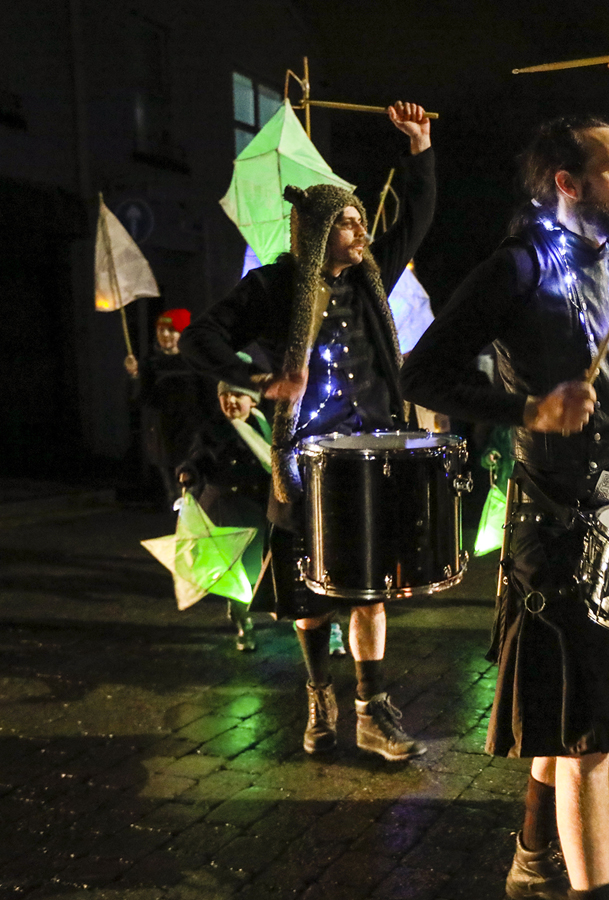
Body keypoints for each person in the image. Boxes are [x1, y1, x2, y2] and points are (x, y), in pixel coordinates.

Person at [400, 39, 609, 900]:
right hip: (558, 530)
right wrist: (528, 410)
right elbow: (423, 374)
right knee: (588, 749)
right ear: (566, 182)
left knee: (575, 724)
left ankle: (532, 858)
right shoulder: (514, 269)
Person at [179, 101, 435, 761]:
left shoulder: (374, 279)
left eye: (359, 217)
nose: (360, 228)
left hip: (373, 462)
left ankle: (371, 709)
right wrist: (259, 381)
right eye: (347, 220)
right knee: (310, 603)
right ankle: (321, 695)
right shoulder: (272, 288)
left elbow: (419, 214)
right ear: (319, 229)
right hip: (305, 468)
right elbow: (198, 340)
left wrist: (419, 147)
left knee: (371, 594)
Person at [177, 359, 273, 651]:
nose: (230, 401)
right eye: (225, 395)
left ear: (251, 399)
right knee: (236, 570)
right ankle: (243, 623)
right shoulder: (213, 430)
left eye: (238, 395)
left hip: (258, 507)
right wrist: (188, 472)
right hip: (224, 507)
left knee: (256, 567)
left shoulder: (264, 424)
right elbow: (195, 458)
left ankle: (244, 611)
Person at [126, 308, 219, 506]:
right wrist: (137, 376)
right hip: (164, 439)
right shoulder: (151, 364)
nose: (165, 335)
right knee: (175, 497)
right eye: (161, 330)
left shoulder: (196, 361)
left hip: (194, 439)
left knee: (196, 493)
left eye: (171, 330)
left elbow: (210, 401)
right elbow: (143, 400)